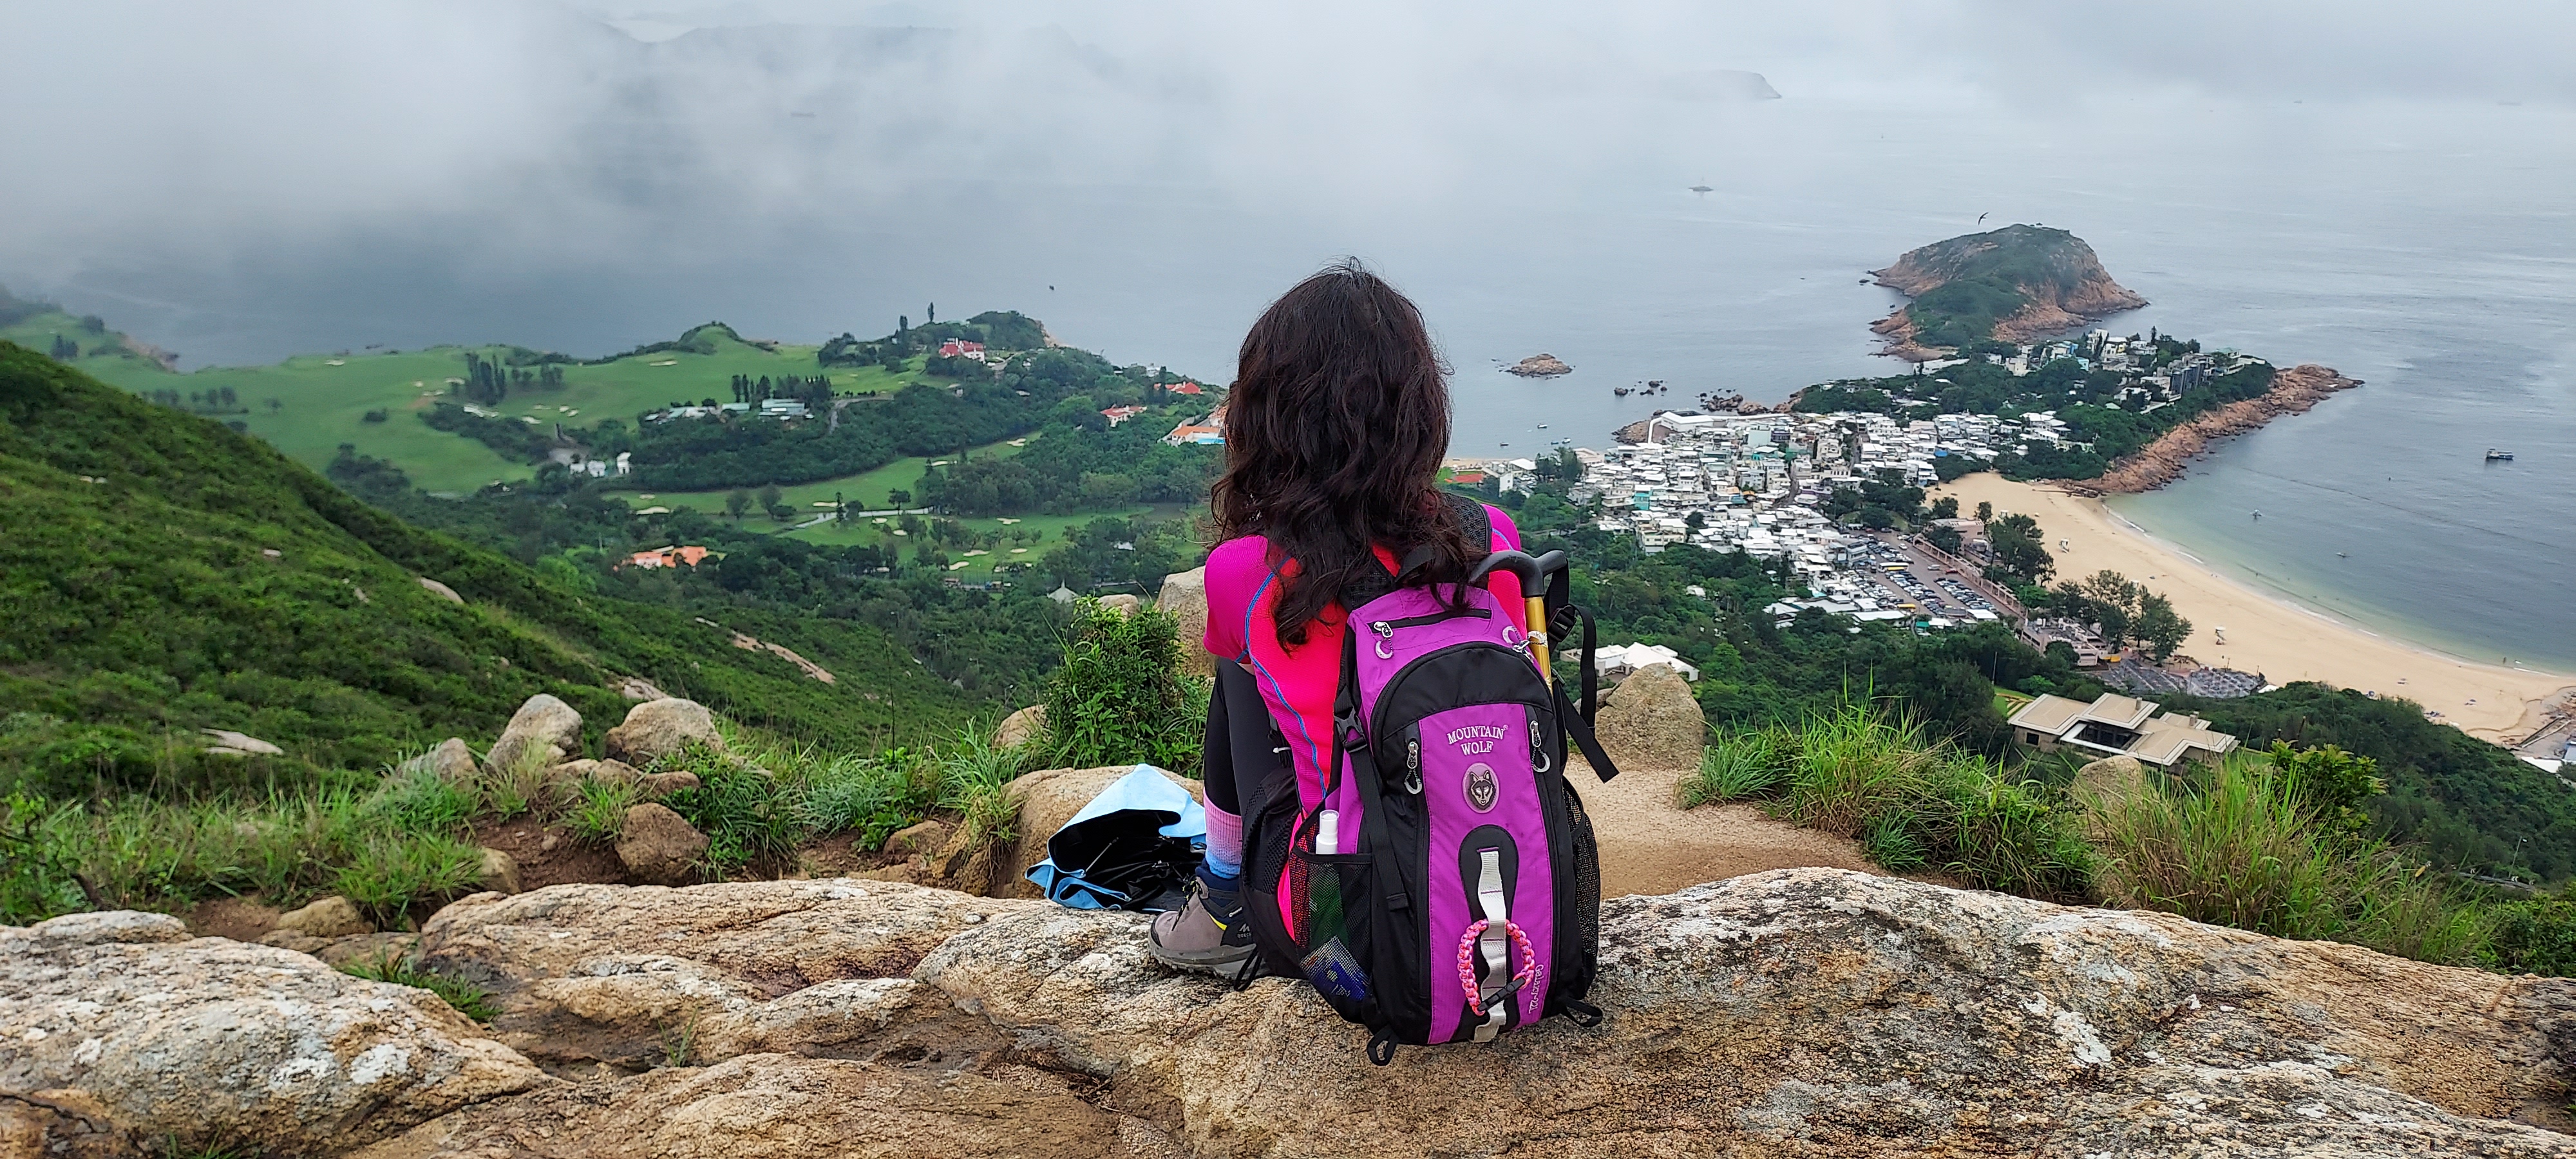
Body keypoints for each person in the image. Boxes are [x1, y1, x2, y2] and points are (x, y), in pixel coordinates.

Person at [1150, 262, 1527, 972]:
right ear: (1418, 410)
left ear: (1270, 416)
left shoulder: (1248, 571)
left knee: (1236, 672)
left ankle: (1225, 901)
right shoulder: (1491, 538)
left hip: (1336, 923)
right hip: (1501, 890)